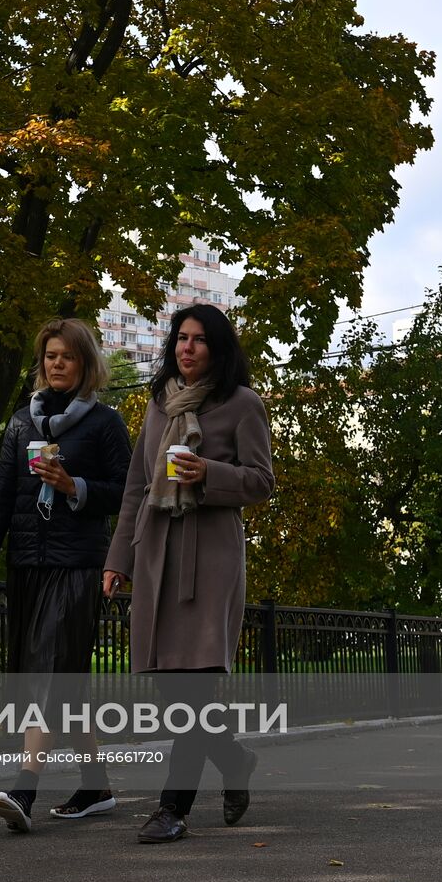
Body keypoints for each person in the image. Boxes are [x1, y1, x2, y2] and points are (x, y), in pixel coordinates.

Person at [102, 303, 274, 843]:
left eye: (199, 339)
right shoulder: (157, 404)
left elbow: (261, 481)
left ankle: (172, 809)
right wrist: (117, 560)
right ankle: (235, 760)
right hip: (159, 554)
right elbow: (135, 487)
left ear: (218, 348)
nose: (187, 347)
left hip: (212, 558)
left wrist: (210, 474)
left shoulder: (243, 404)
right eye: (181, 337)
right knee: (175, 696)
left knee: (194, 692)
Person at [0, 318, 132, 832]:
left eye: (66, 356)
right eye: (49, 356)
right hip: (29, 565)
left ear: (85, 364)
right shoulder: (21, 423)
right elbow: (0, 497)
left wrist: (73, 485)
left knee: (48, 673)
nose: (56, 364)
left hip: (77, 563)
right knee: (63, 683)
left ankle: (24, 786)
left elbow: (127, 492)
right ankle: (96, 784)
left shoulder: (105, 423)